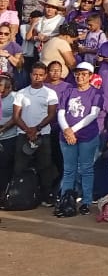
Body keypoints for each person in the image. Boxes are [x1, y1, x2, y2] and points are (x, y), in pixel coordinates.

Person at [56, 61, 102, 216]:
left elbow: (93, 114)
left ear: (90, 76)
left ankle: (86, 201)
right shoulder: (68, 92)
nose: (79, 76)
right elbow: (61, 113)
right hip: (67, 136)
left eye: (83, 74)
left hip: (87, 136)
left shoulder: (96, 93)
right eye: (77, 73)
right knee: (69, 169)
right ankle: (65, 199)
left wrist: (71, 131)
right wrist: (67, 131)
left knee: (86, 169)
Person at [12, 63, 60, 206]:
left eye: (40, 75)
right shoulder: (21, 93)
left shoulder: (50, 93)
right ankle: (18, 195)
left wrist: (37, 129)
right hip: (23, 134)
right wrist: (28, 130)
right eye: (35, 74)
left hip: (43, 134)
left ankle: (45, 197)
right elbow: (16, 117)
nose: (37, 77)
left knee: (45, 167)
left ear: (45, 76)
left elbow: (51, 115)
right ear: (30, 75)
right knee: (19, 166)